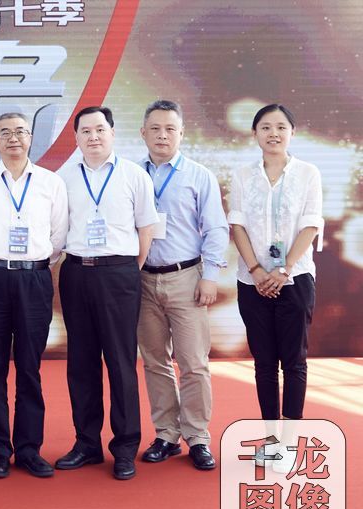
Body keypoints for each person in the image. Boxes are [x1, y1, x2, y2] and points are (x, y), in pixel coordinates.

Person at [56, 106, 159, 481]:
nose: (93, 136)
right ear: (76, 138)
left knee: (120, 361)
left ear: (113, 132)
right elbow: (57, 228)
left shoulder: (133, 175)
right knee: (81, 363)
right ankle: (86, 443)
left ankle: (126, 446)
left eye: (100, 129)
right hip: (76, 272)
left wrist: (128, 267)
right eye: (85, 131)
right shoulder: (63, 178)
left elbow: (146, 228)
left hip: (119, 274)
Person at [0, 112, 68, 479]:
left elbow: (58, 236)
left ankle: (28, 449)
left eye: (20, 132)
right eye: (5, 133)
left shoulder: (51, 183)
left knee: (29, 367)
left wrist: (32, 263)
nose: (13, 138)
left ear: (30, 138)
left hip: (34, 280)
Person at [229, 104, 323, 473]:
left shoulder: (308, 173)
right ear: (254, 134)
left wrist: (283, 269)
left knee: (294, 361)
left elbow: (311, 225)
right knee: (264, 363)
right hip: (251, 281)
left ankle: (290, 443)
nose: (273, 133)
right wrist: (256, 270)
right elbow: (237, 225)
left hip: (295, 279)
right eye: (265, 127)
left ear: (292, 133)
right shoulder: (242, 175)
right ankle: (271, 443)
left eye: (281, 127)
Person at [136, 100, 228, 471]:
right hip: (142, 279)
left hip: (186, 277)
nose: (162, 135)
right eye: (155, 128)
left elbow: (216, 227)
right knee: (155, 362)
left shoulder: (199, 175)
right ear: (143, 133)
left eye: (170, 129)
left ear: (181, 133)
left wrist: (210, 275)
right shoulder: (131, 175)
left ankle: (198, 437)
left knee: (193, 363)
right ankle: (166, 435)